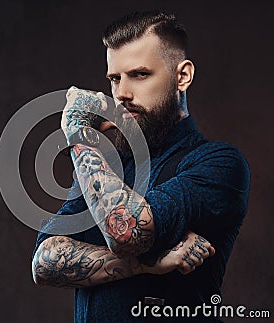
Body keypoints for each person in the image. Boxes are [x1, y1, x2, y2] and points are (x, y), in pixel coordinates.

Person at [31, 10, 250, 322]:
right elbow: (44, 262)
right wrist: (146, 264)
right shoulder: (101, 163)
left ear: (182, 76)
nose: (122, 94)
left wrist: (78, 131)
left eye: (140, 75)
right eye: (114, 79)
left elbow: (127, 234)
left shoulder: (219, 164)